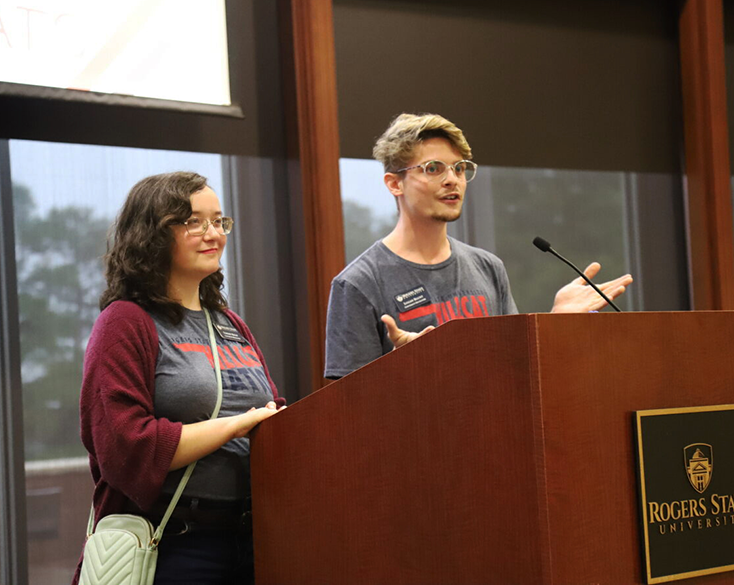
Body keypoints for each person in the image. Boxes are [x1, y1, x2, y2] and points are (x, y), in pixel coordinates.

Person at [73, 172, 284, 585]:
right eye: (193, 222)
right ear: (151, 234)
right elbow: (123, 449)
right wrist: (234, 426)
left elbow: (271, 417)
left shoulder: (228, 323)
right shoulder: (125, 322)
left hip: (253, 539)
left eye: (219, 221)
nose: (214, 234)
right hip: (171, 544)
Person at [324, 113, 633, 379]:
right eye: (433, 168)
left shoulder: (487, 267)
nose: (452, 180)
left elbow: (514, 367)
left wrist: (553, 322)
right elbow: (346, 410)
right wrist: (406, 366)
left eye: (459, 168)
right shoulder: (358, 285)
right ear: (395, 183)